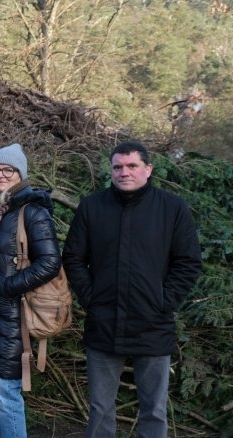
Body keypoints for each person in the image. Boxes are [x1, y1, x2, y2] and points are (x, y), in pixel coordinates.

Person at [62, 141, 202, 438]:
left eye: (132, 166)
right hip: (104, 323)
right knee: (100, 408)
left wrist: (163, 302)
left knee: (153, 409)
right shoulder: (92, 206)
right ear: (111, 170)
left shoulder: (172, 208)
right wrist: (91, 299)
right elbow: (73, 258)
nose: (124, 172)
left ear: (148, 169)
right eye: (117, 167)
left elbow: (188, 262)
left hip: (153, 324)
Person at [0, 143, 62, 438]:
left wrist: (8, 287)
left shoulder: (32, 212)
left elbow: (50, 262)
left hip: (13, 315)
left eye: (9, 169)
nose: (1, 174)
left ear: (21, 174)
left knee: (6, 390)